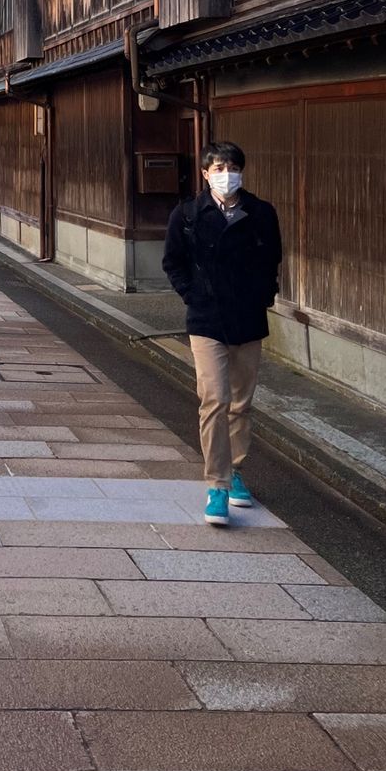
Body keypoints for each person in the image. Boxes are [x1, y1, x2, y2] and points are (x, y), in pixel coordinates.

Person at [162, 140, 283, 528]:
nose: (226, 174)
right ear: (205, 173)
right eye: (218, 168)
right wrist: (192, 294)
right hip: (207, 319)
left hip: (248, 318)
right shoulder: (187, 215)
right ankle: (217, 484)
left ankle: (235, 470)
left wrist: (264, 295)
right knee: (215, 398)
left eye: (232, 167)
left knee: (240, 403)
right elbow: (173, 261)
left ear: (241, 172)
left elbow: (272, 259)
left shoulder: (261, 213)